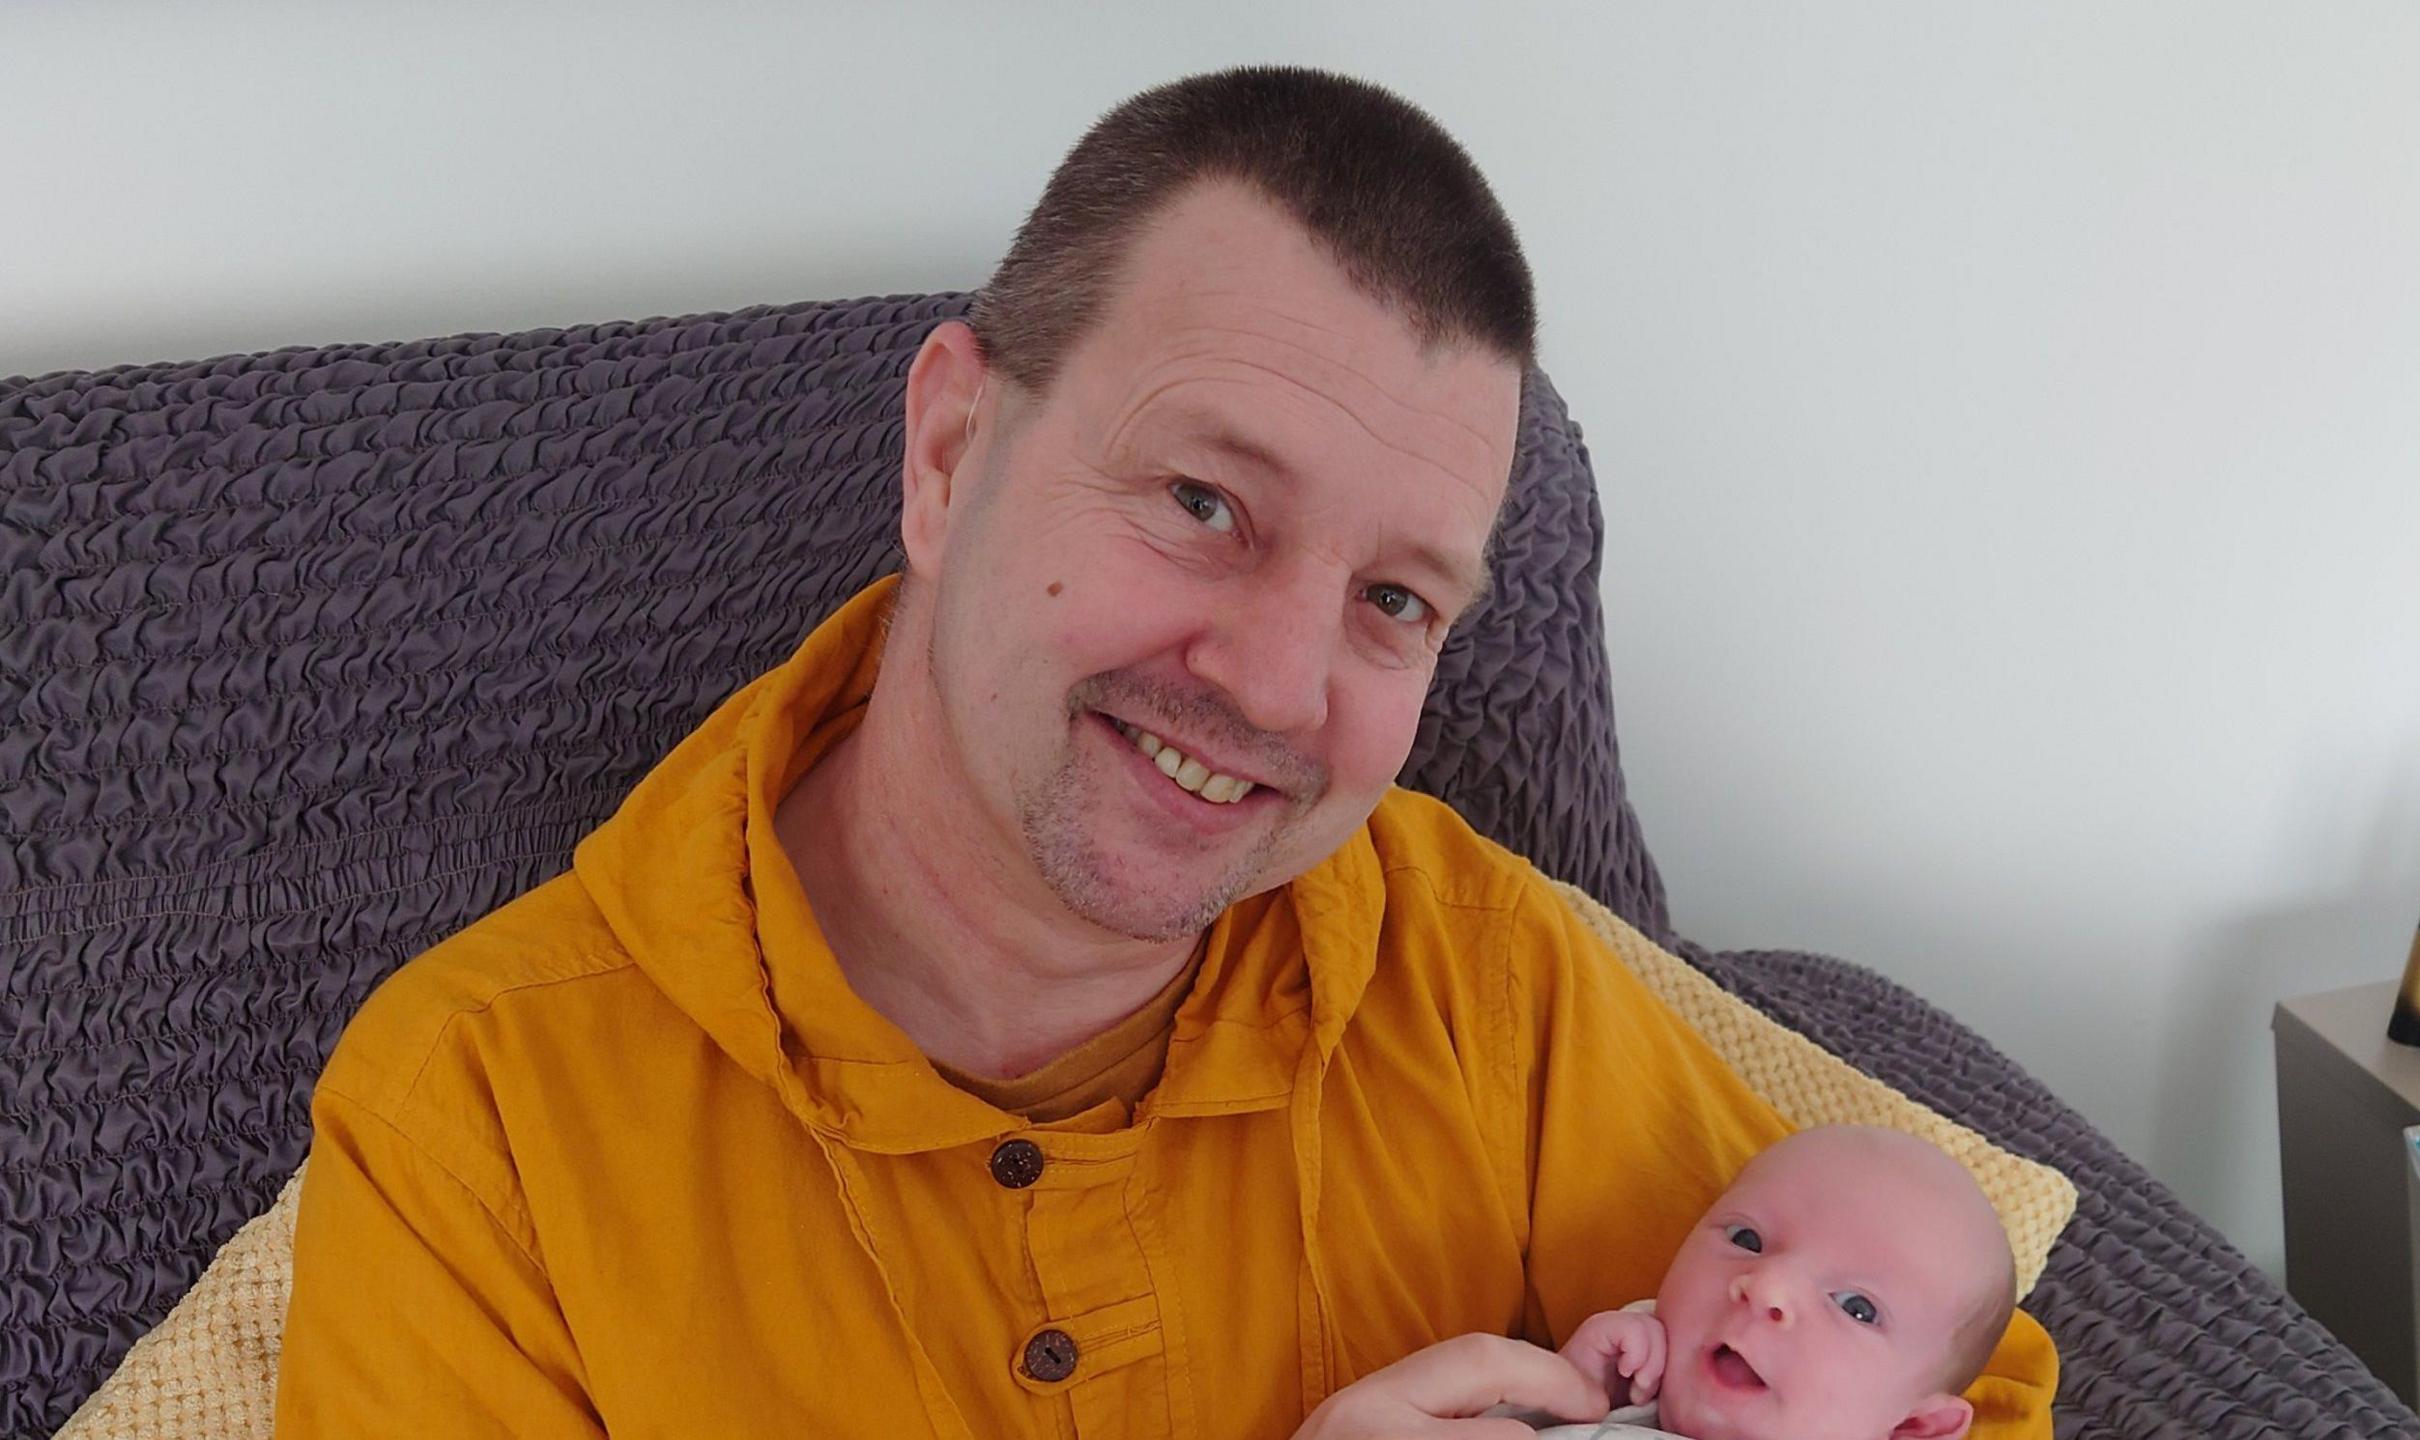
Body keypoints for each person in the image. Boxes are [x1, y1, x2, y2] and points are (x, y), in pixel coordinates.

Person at [274, 65, 2059, 1439]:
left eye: (1395, 601)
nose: (1282, 688)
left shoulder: (1478, 978)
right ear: (952, 453)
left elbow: (1959, 1379)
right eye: (1207, 501)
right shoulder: (478, 1131)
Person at [1471, 1125, 2018, 1440]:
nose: (1766, 1285)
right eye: (1746, 1240)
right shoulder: (1620, 1385)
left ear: (1911, 1431)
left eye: (1856, 1307)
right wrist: (1561, 1392)